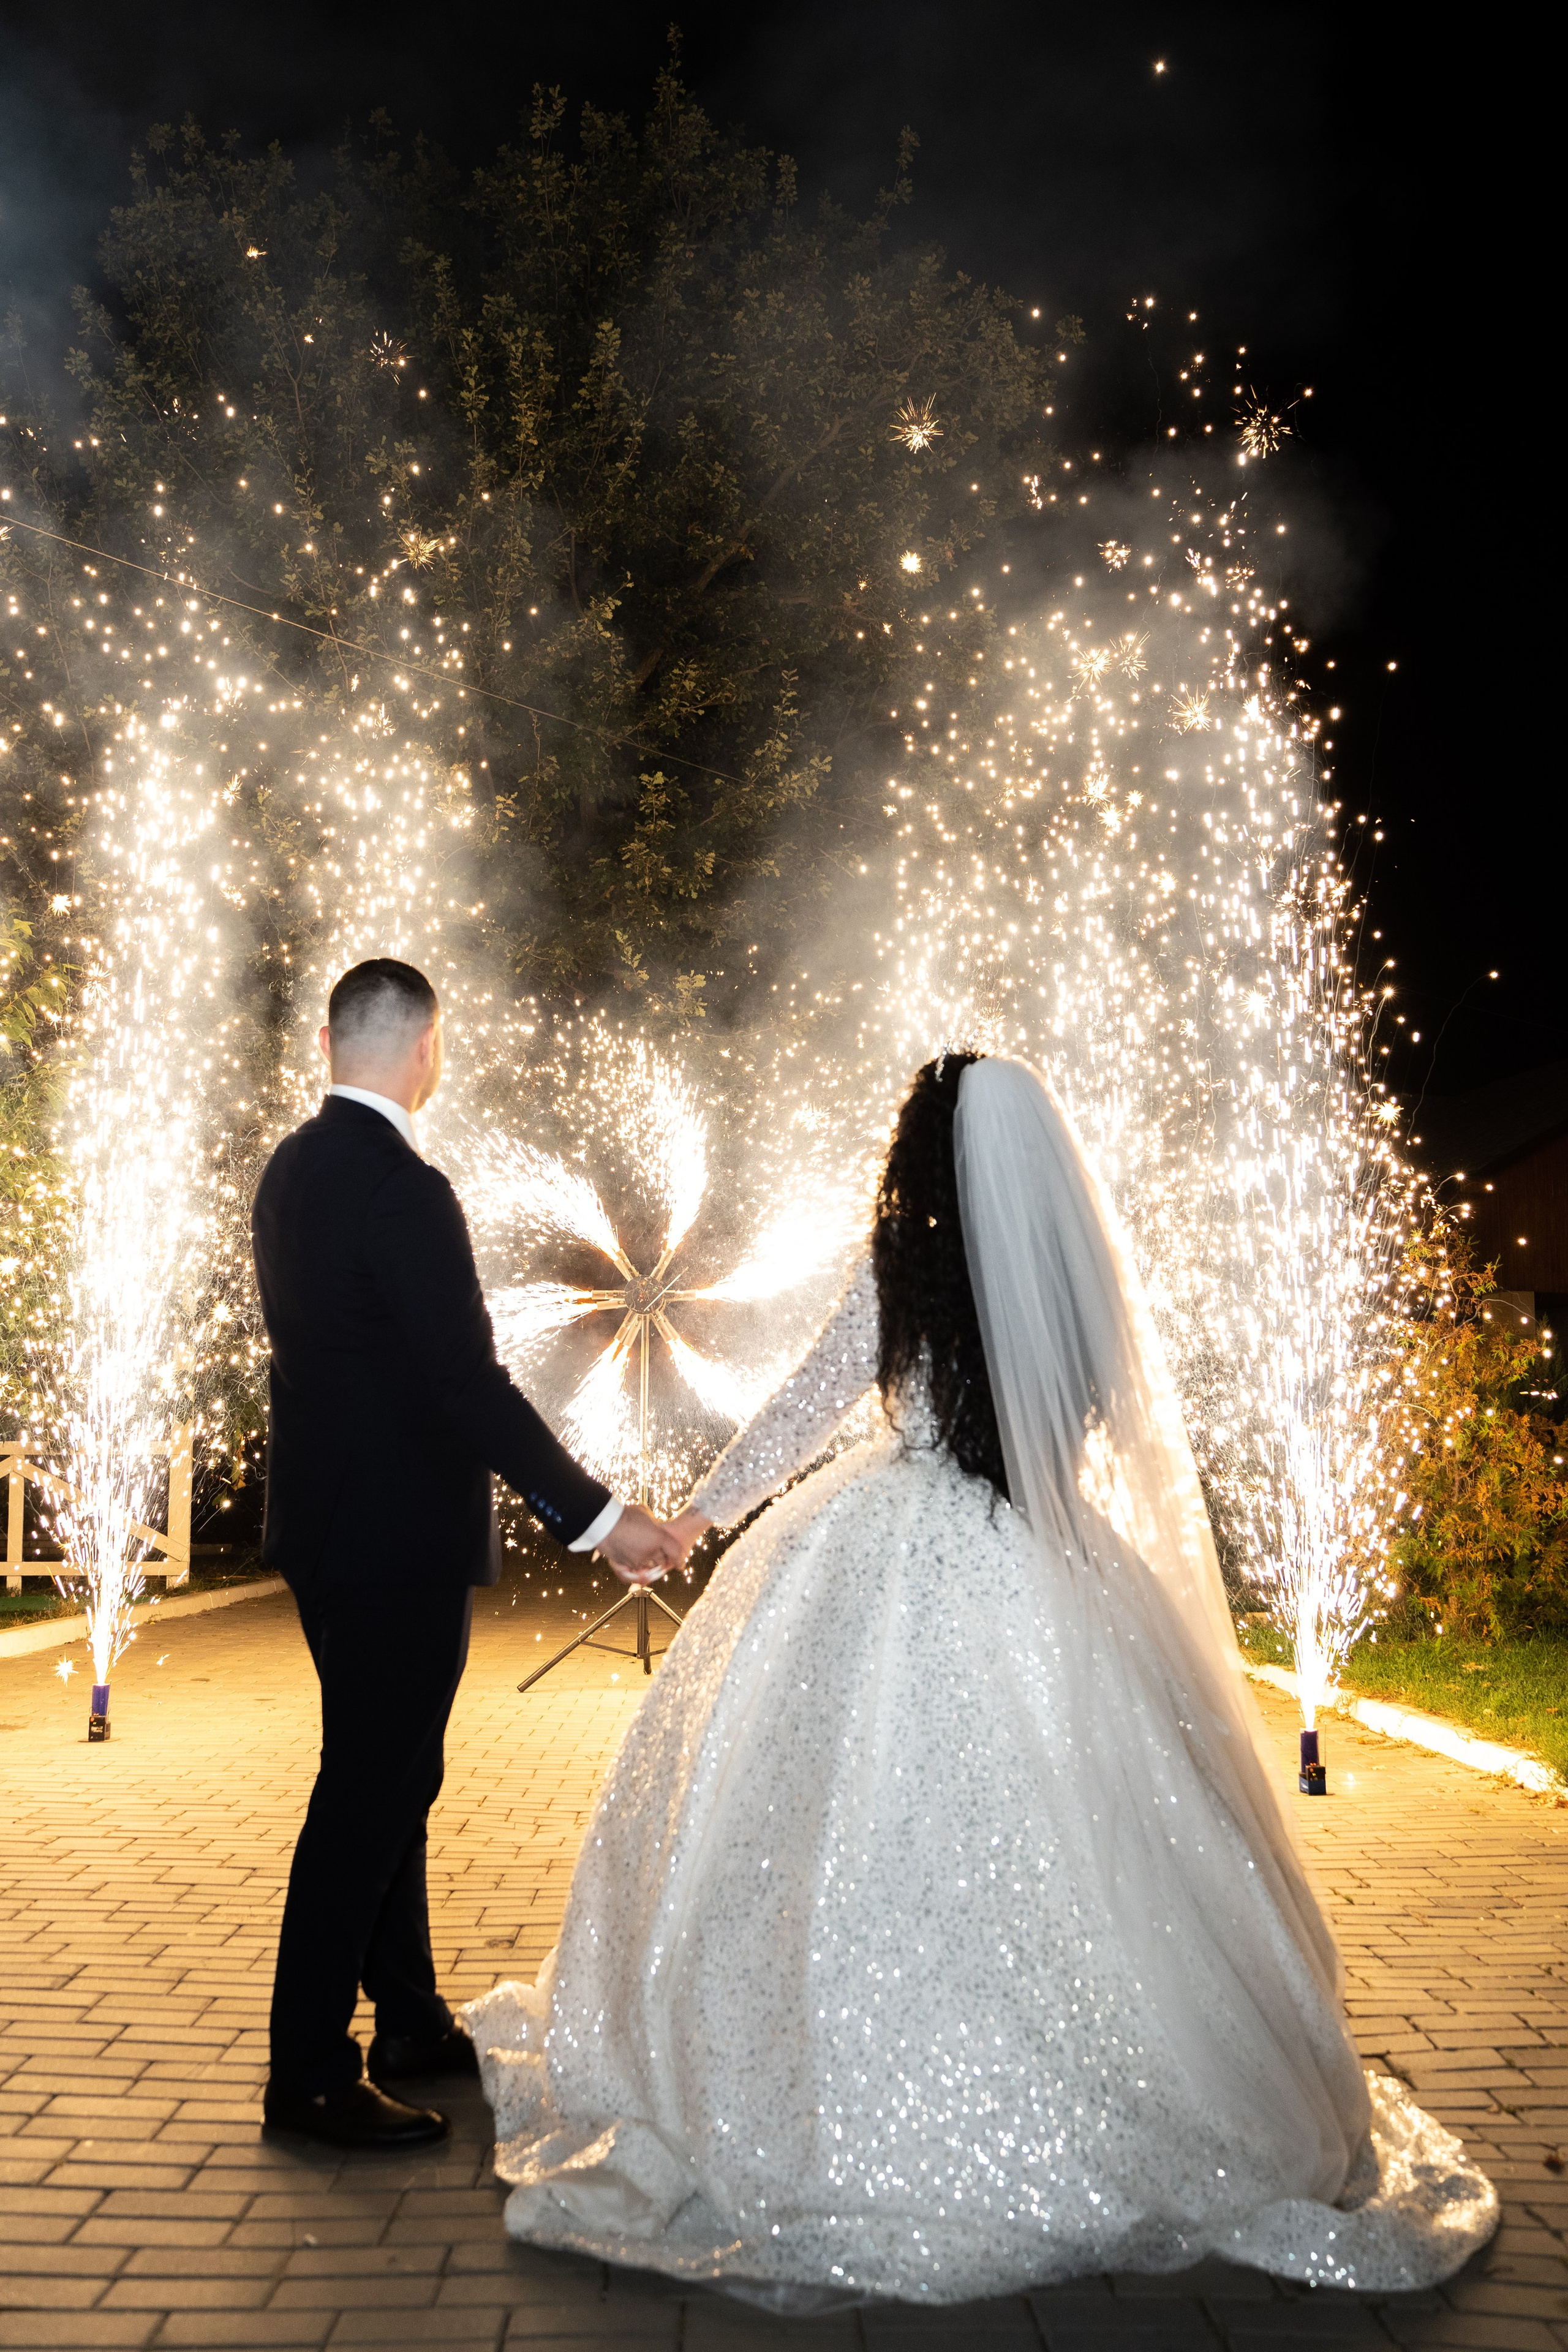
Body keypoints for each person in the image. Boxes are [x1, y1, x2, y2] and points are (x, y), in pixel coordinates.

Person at [463, 1052, 1496, 2303]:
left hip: (884, 1536)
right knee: (1086, 1826)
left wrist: (698, 1516)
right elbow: (1114, 1419)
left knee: (850, 1813)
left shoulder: (901, 1269)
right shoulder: (1075, 1278)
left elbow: (803, 1410)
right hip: (1044, 1552)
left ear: (918, 1157)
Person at [252, 957, 679, 2150]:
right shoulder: (405, 1187)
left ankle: (407, 2021)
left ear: (331, 1043)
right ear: (424, 1046)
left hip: (324, 1533)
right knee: (369, 1793)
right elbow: (461, 1386)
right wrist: (596, 1517)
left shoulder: (292, 1172)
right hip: (396, 1539)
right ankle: (307, 2076)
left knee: (388, 1776)